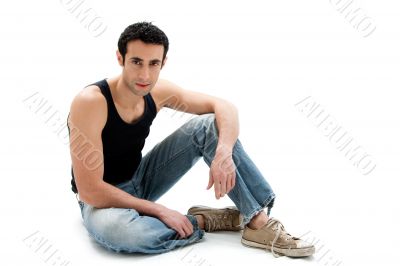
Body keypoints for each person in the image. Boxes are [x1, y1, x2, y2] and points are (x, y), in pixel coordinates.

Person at [67, 21, 315, 257]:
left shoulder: (157, 91)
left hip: (140, 180)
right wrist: (160, 211)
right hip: (100, 201)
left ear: (163, 63)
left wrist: (224, 153)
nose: (144, 74)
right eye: (136, 62)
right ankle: (203, 221)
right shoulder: (91, 101)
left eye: (154, 63)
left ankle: (257, 221)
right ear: (120, 58)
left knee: (208, 126)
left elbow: (223, 106)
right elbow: (89, 190)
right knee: (123, 233)